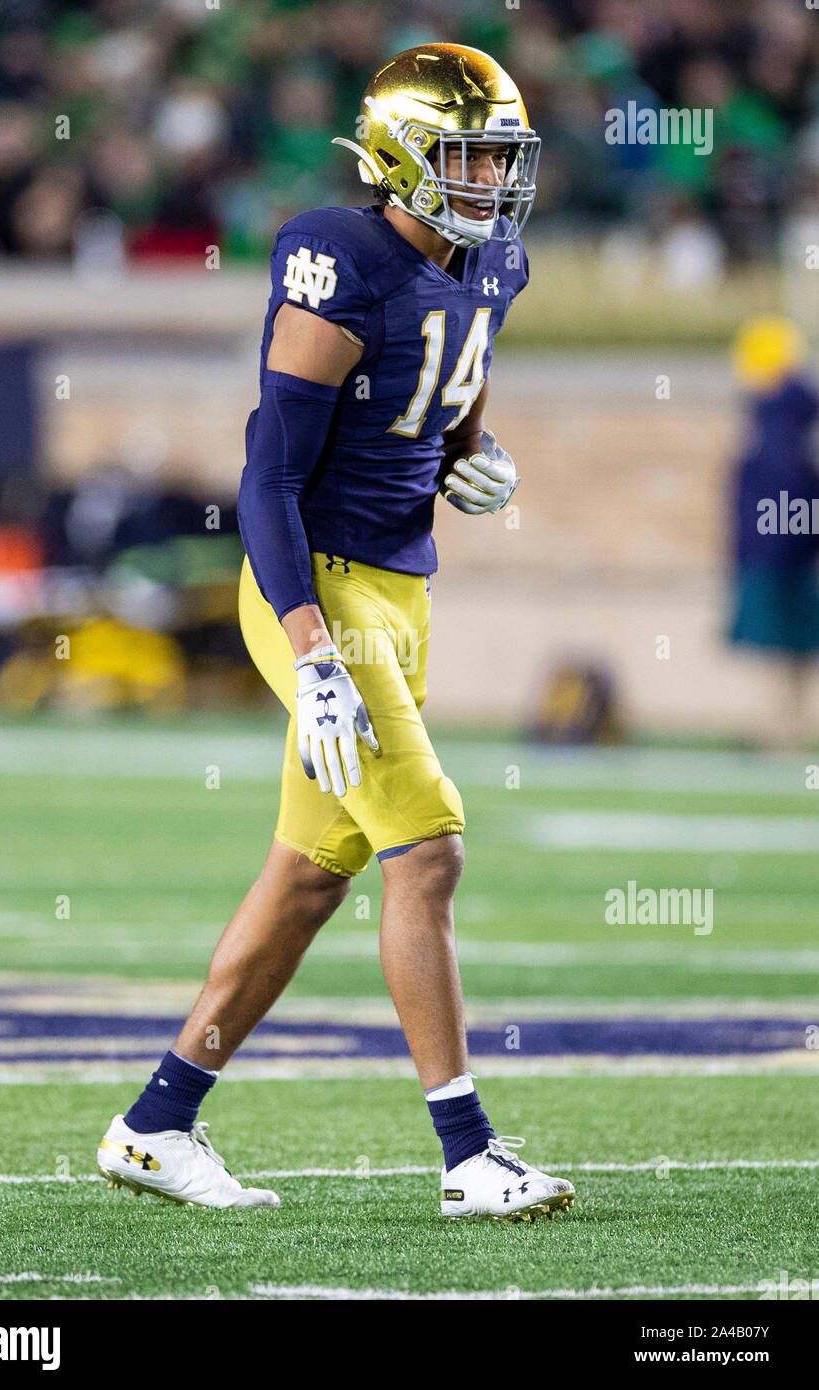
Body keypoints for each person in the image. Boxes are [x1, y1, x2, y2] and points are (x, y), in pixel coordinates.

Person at [97, 43, 575, 1222]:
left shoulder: (491, 258)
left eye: (499, 157)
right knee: (429, 845)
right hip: (315, 586)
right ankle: (468, 1152)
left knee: (312, 875)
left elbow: (437, 388)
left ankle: (156, 1125)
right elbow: (268, 474)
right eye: (467, 155)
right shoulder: (337, 254)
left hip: (403, 588)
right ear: (403, 152)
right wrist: (312, 650)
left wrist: (467, 448)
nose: (488, 181)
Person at [728, 316, 819, 748]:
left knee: (779, 646)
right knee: (794, 646)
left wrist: (780, 546)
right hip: (791, 551)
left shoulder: (779, 417)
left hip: (778, 554)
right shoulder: (796, 415)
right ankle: (791, 730)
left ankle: (779, 732)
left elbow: (784, 487)